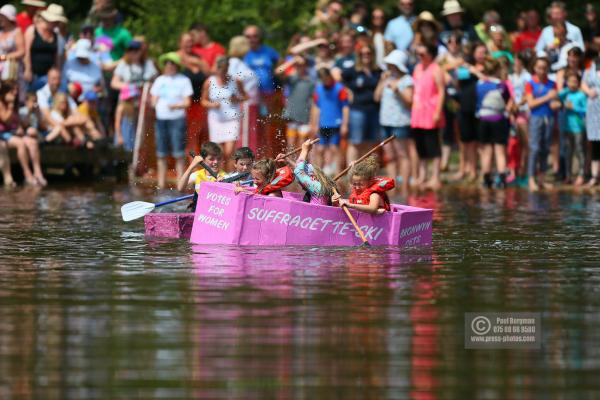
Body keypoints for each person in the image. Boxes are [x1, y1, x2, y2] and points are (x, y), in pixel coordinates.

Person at [150, 52, 193, 189]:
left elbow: (187, 102)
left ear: (177, 66)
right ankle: (161, 184)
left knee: (178, 153)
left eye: (172, 63)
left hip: (177, 119)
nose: (169, 66)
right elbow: (153, 99)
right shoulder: (159, 80)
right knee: (161, 153)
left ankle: (181, 183)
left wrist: (176, 106)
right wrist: (154, 104)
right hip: (161, 119)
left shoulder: (183, 80)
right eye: (167, 63)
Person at [375, 50, 413, 193]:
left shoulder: (407, 80)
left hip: (400, 122)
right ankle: (391, 187)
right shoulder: (386, 79)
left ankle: (405, 188)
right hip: (385, 121)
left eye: (391, 64)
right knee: (390, 155)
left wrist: (397, 90)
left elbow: (410, 101)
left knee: (402, 154)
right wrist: (382, 81)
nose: (389, 67)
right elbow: (377, 98)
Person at [411, 43, 445, 190]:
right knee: (421, 146)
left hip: (430, 111)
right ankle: (423, 175)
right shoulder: (417, 68)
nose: (419, 57)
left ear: (430, 55)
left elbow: (441, 91)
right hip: (418, 112)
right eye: (418, 54)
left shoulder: (436, 69)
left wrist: (438, 111)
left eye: (422, 54)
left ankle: (435, 177)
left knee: (433, 146)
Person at [201, 56, 247, 166]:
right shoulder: (209, 82)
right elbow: (203, 101)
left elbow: (246, 96)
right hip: (216, 120)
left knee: (229, 151)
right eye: (220, 68)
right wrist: (212, 104)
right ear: (217, 68)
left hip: (232, 119)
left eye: (225, 68)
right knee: (218, 152)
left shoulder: (235, 81)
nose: (223, 71)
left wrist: (236, 99)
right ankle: (220, 177)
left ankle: (230, 177)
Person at [243, 25, 280, 154]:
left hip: (268, 95)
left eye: (254, 36)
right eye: (248, 36)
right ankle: (253, 155)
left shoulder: (269, 52)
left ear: (259, 37)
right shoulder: (243, 53)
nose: (251, 39)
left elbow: (280, 67)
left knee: (268, 127)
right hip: (250, 97)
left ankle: (267, 156)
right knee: (252, 128)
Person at [0, 81, 45, 186]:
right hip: (3, 134)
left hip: (13, 133)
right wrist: (11, 106)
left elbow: (21, 123)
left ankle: (38, 173)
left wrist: (31, 114)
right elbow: (5, 119)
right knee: (20, 143)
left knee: (32, 142)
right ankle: (27, 173)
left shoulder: (16, 105)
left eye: (16, 90)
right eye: (12, 91)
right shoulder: (2, 104)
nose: (15, 93)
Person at [342, 44, 381, 164]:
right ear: (359, 55)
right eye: (363, 54)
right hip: (357, 110)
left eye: (369, 53)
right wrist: (347, 90)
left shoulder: (377, 71)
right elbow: (339, 78)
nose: (366, 56)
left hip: (374, 110)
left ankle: (366, 173)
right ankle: (352, 171)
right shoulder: (353, 70)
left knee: (371, 143)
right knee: (356, 142)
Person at [476, 57, 512, 188]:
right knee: (499, 150)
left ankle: (486, 179)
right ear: (497, 69)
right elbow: (508, 101)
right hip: (498, 119)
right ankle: (502, 178)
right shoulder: (501, 85)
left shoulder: (479, 84)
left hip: (483, 119)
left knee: (486, 151)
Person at [525, 56, 558, 191]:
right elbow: (531, 104)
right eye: (539, 68)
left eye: (544, 68)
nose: (542, 71)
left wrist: (556, 103)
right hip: (536, 118)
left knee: (545, 148)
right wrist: (547, 97)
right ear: (534, 68)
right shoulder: (530, 83)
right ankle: (531, 178)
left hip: (549, 118)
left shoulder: (552, 84)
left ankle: (541, 179)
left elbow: (553, 102)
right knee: (535, 148)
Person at [310, 67, 349, 176]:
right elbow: (316, 107)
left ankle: (338, 175)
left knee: (334, 148)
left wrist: (345, 124)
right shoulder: (318, 89)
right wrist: (314, 123)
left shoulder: (339, 88)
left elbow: (345, 107)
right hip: (323, 123)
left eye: (325, 78)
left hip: (335, 123)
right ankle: (318, 175)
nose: (324, 81)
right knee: (320, 149)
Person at [277, 138, 337, 205]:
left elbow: (299, 172)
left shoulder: (318, 188)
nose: (300, 183)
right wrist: (288, 161)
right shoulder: (320, 185)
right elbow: (299, 170)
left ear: (312, 178)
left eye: (301, 181)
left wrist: (305, 150)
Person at [276, 55, 315, 150]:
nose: (300, 67)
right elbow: (278, 71)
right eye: (298, 65)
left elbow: (314, 101)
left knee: (303, 144)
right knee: (291, 144)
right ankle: (290, 164)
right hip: (292, 115)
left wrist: (313, 119)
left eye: (302, 65)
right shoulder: (292, 78)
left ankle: (301, 164)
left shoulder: (311, 80)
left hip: (305, 116)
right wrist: (293, 61)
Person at [228, 35, 259, 150]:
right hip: (244, 104)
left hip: (250, 103)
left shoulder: (241, 62)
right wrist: (244, 94)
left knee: (249, 133)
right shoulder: (234, 62)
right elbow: (234, 79)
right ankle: (244, 160)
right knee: (245, 134)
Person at [24, 3, 64, 92]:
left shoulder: (56, 36)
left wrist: (57, 73)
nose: (56, 24)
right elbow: (27, 53)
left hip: (48, 77)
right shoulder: (32, 31)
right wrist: (28, 69)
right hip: (34, 74)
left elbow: (56, 57)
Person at [177, 141, 227, 211]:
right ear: (203, 160)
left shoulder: (225, 177)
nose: (216, 162)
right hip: (198, 213)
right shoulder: (197, 175)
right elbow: (180, 188)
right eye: (211, 159)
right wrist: (191, 167)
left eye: (218, 159)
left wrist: (223, 185)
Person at [558, 72, 587, 185]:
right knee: (568, 151)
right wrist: (565, 89)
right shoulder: (566, 93)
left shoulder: (581, 95)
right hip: (566, 127)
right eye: (570, 81)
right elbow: (558, 96)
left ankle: (581, 174)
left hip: (578, 127)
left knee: (579, 151)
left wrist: (574, 107)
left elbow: (585, 110)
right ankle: (568, 175)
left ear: (578, 83)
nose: (572, 84)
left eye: (575, 82)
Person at [508, 53, 532, 181]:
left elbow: (527, 94)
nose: (515, 65)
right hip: (512, 112)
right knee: (513, 143)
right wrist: (511, 107)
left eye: (517, 62)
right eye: (514, 63)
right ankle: (513, 170)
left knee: (525, 141)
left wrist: (518, 104)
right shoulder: (510, 77)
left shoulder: (527, 77)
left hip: (523, 111)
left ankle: (524, 169)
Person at [582, 57, 600, 187]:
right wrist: (589, 91)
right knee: (595, 143)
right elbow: (583, 84)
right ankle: (594, 176)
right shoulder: (589, 69)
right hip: (593, 108)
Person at [114, 84, 138, 151]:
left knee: (131, 151)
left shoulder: (134, 107)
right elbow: (117, 123)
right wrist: (119, 136)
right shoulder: (121, 108)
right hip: (123, 133)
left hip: (131, 134)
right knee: (121, 153)